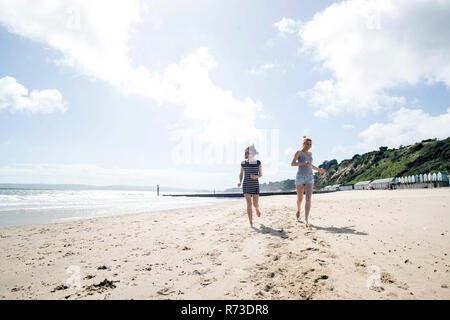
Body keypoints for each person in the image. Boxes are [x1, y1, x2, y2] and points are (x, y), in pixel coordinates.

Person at [291, 136, 326, 227]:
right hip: (300, 178)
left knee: (308, 198)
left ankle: (306, 219)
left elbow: (310, 165)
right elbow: (293, 163)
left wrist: (319, 170)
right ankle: (298, 210)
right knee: (300, 199)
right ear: (303, 144)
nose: (308, 146)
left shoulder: (310, 154)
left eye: (310, 144)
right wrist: (303, 163)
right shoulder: (299, 152)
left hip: (310, 177)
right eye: (307, 144)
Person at [238, 145, 262, 228]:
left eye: (252, 153)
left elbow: (261, 174)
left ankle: (257, 209)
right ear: (247, 153)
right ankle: (251, 222)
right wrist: (239, 182)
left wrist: (256, 177)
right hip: (246, 185)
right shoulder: (243, 163)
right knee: (249, 204)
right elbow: (241, 173)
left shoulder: (258, 162)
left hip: (255, 185)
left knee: (255, 204)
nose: (250, 154)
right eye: (249, 153)